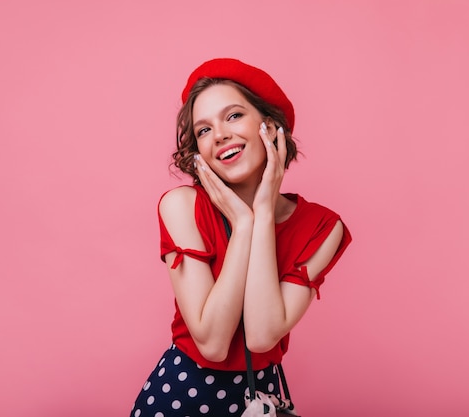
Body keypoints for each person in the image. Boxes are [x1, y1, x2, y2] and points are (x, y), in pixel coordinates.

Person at [129, 58, 352, 417]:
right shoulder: (182, 207)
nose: (219, 135)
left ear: (270, 125)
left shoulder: (322, 227)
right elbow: (213, 343)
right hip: (180, 398)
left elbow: (262, 335)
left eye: (233, 116)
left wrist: (262, 214)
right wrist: (243, 225)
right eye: (203, 130)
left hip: (258, 400)